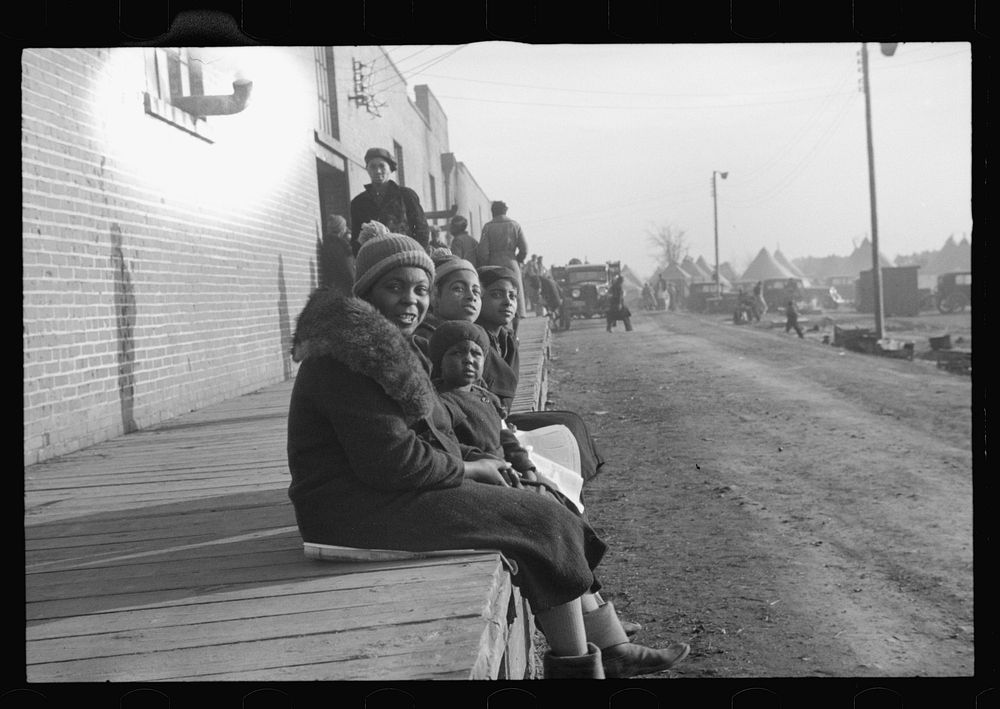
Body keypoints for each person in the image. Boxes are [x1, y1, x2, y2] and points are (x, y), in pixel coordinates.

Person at [286, 223, 689, 678]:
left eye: (421, 289)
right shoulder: (346, 360)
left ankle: (608, 647)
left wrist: (481, 460)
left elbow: (426, 434)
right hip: (348, 510)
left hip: (376, 492)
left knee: (537, 503)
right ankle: (585, 669)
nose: (410, 300)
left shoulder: (388, 348)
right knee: (538, 521)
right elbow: (393, 463)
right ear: (366, 292)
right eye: (394, 286)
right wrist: (471, 470)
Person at [350, 147, 430, 254]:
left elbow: (421, 229)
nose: (377, 171)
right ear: (367, 169)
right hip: (374, 258)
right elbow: (355, 239)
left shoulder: (406, 195)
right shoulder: (358, 202)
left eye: (382, 166)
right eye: (372, 166)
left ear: (390, 169)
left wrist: (417, 256)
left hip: (405, 255)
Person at [477, 201, 528, 331]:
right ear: (505, 211)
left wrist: (484, 264)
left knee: (497, 295)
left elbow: (483, 251)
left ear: (493, 211)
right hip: (511, 262)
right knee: (514, 294)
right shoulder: (515, 225)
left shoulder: (488, 227)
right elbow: (524, 248)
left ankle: (501, 331)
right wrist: (518, 260)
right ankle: (515, 332)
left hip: (494, 263)